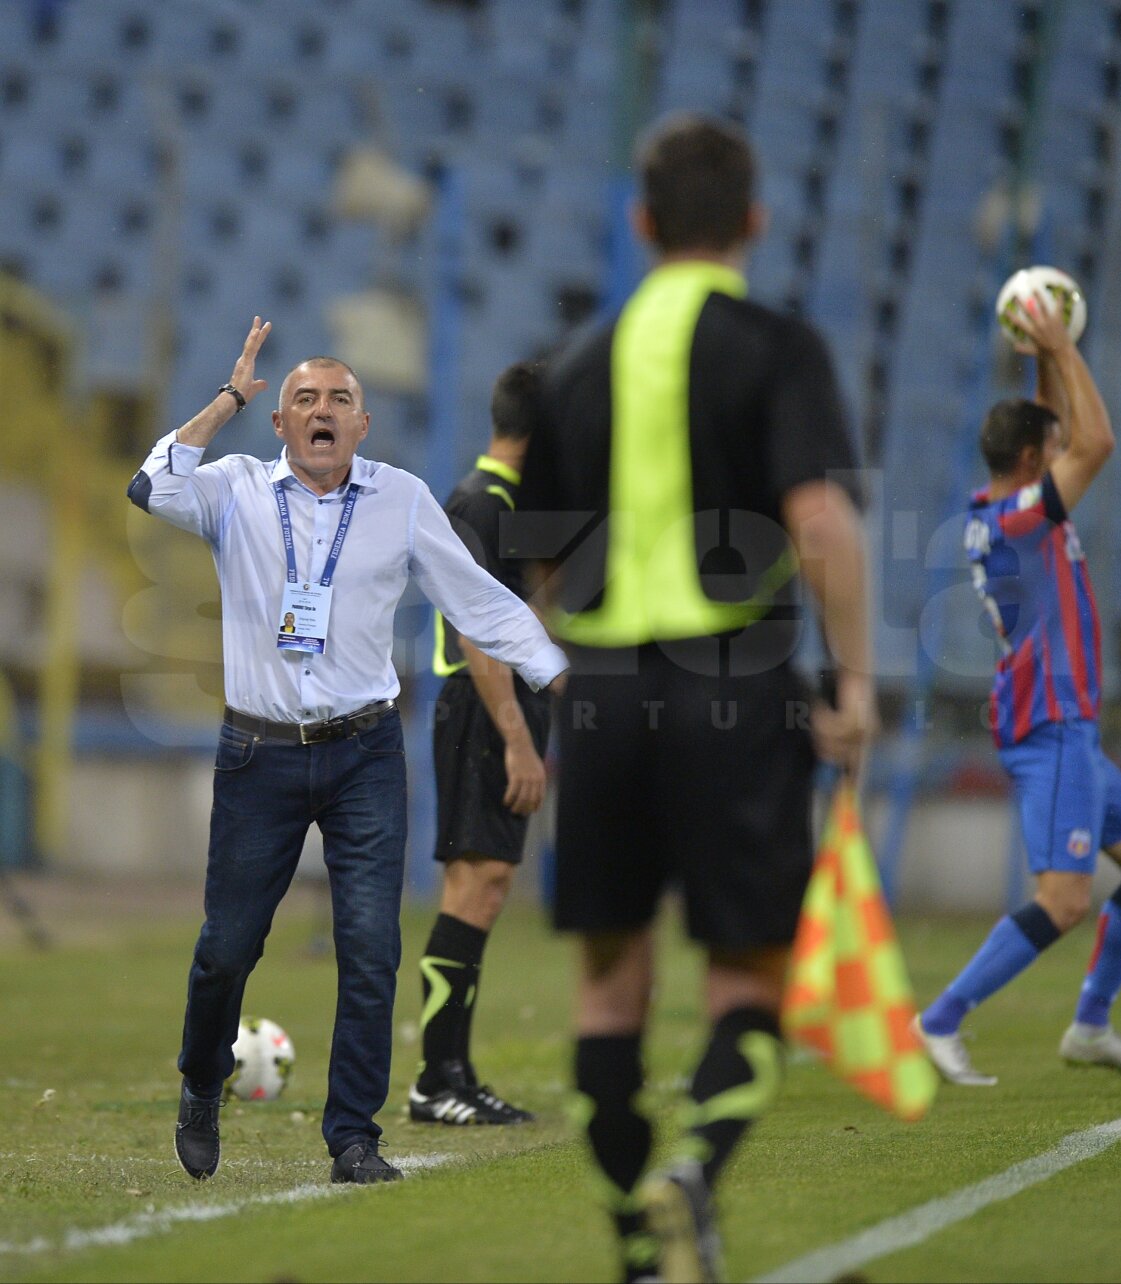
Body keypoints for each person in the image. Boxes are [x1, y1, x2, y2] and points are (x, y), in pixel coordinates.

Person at [514, 115, 876, 1283]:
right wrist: (855, 682)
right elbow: (820, 521)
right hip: (738, 678)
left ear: (642, 222)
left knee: (610, 984)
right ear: (755, 222)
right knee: (747, 972)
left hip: (607, 691)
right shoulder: (776, 346)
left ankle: (630, 1239)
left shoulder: (570, 364)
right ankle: (695, 1176)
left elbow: (538, 575)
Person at [127, 319, 567, 1184]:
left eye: (340, 400)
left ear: (363, 426)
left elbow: (479, 602)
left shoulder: (401, 499)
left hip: (366, 752)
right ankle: (200, 1081)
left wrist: (556, 674)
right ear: (281, 423)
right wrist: (226, 400)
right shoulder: (235, 488)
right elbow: (149, 485)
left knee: (371, 947)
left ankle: (353, 1137)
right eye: (303, 400)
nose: (322, 410)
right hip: (258, 755)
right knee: (227, 947)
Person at [914, 290, 1121, 1086]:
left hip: (1073, 731)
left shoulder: (992, 507)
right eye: (1048, 446)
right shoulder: (1025, 519)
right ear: (1032, 463)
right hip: (1052, 724)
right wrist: (1063, 345)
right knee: (1063, 898)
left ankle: (1091, 1025)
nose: (1062, 448)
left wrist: (1039, 358)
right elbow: (1096, 440)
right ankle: (940, 1018)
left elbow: (1056, 432)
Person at [409, 361, 552, 1126]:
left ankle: (453, 1072)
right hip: (481, 711)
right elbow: (473, 632)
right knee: (473, 882)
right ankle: (437, 1079)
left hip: (502, 708)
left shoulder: (508, 504)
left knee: (488, 883)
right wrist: (518, 738)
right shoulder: (479, 502)